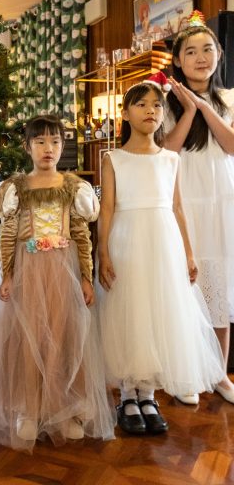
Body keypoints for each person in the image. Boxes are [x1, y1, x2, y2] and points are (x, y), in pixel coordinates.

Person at [0, 115, 115, 452]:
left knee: (63, 337)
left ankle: (63, 409)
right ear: (27, 147)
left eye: (55, 142)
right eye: (40, 142)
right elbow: (8, 234)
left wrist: (85, 277)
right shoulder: (15, 188)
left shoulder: (73, 187)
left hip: (63, 271)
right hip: (27, 270)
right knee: (28, 338)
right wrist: (8, 274)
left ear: (62, 146)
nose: (48, 148)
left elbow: (81, 234)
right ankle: (29, 407)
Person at [97, 81, 225, 436]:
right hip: (126, 242)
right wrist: (102, 251)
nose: (150, 111)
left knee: (157, 313)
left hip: (164, 243)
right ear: (125, 114)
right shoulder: (113, 158)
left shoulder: (171, 159)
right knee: (130, 312)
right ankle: (127, 395)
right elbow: (106, 209)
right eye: (141, 104)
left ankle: (149, 394)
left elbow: (178, 208)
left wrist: (189, 253)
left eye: (156, 105)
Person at [165, 18, 234, 405]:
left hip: (223, 205)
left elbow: (231, 145)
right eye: (190, 52)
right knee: (184, 288)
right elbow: (167, 151)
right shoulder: (166, 102)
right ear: (177, 60)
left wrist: (204, 106)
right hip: (184, 204)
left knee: (220, 289)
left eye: (207, 49)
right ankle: (186, 373)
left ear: (219, 54)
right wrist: (189, 109)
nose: (200, 57)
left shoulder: (230, 99)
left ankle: (220, 374)